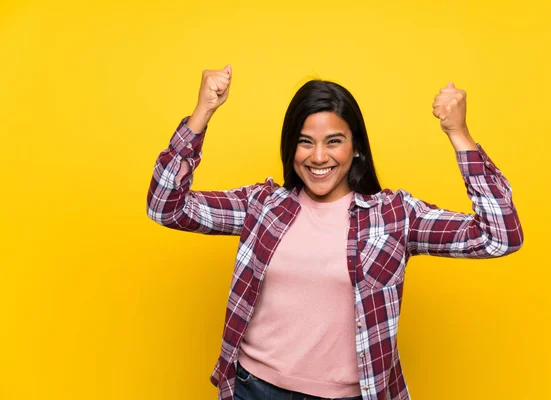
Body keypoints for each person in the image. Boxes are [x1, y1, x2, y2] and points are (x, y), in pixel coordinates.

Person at [146, 64, 524, 400]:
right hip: (253, 388)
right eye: (305, 141)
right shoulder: (262, 206)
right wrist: (202, 113)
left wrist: (459, 134)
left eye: (334, 141)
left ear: (356, 147)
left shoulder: (393, 216)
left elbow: (500, 235)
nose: (319, 157)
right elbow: (165, 206)